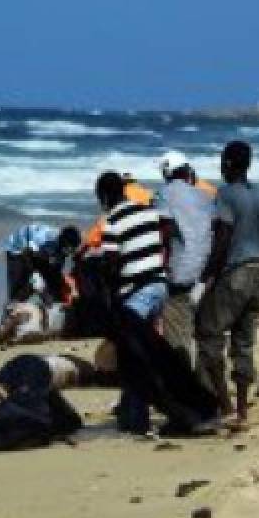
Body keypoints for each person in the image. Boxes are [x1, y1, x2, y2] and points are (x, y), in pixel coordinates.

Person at [196, 140, 259, 423]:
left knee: (209, 333)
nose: (221, 167)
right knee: (244, 343)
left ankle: (224, 404)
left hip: (235, 273)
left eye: (223, 161)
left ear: (230, 164)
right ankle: (243, 408)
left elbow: (222, 238)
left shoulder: (226, 195)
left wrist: (206, 275)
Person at [95, 171, 169, 433]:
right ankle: (130, 410)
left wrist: (110, 303)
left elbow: (112, 267)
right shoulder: (149, 212)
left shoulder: (112, 221)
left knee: (132, 355)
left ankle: (137, 419)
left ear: (104, 196)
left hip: (137, 293)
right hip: (160, 286)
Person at [157, 150, 215, 365]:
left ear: (166, 172)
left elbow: (164, 233)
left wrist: (160, 268)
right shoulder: (204, 195)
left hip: (180, 271)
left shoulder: (165, 193)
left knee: (176, 338)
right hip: (206, 271)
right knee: (201, 333)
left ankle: (181, 386)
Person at [1, 224, 81, 303]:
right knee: (23, 283)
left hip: (38, 252)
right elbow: (27, 255)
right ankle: (13, 304)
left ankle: (47, 300)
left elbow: (56, 271)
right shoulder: (42, 239)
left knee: (50, 278)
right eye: (70, 249)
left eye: (73, 250)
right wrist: (34, 276)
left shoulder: (62, 248)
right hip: (18, 248)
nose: (71, 253)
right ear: (64, 242)